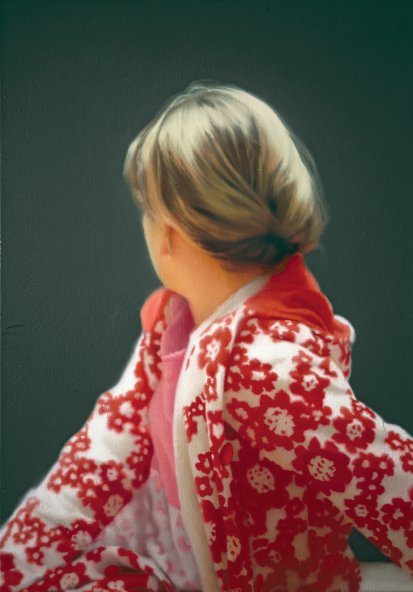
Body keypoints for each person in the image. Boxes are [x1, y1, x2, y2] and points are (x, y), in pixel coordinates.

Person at [1, 81, 412, 592]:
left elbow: (384, 478)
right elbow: (104, 452)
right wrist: (15, 562)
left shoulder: (267, 362)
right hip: (177, 570)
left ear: (170, 233)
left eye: (148, 210)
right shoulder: (172, 324)